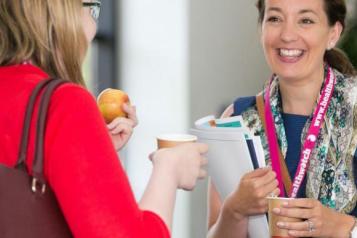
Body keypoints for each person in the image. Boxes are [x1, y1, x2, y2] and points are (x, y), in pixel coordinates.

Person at [0, 0, 208, 237]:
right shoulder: (64, 103)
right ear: (65, 12)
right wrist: (169, 169)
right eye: (93, 9)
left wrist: (92, 146)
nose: (94, 26)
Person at [208, 0, 357, 237]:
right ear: (261, 29)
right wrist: (235, 210)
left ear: (333, 33)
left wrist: (342, 227)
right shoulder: (237, 120)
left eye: (305, 20)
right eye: (275, 19)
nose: (287, 35)